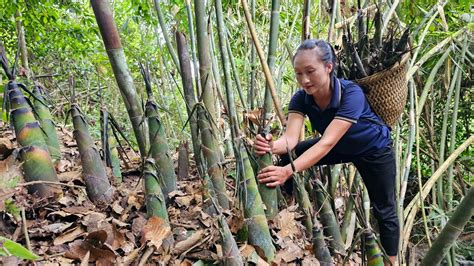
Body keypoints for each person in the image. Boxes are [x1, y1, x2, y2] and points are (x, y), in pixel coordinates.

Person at [253, 39, 399, 265]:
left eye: (310, 71)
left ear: (328, 67)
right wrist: (270, 145)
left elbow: (326, 143)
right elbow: (290, 140)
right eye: (299, 73)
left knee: (385, 210)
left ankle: (391, 261)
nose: (304, 80)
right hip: (341, 147)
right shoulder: (301, 98)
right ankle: (285, 209)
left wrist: (288, 171)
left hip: (374, 149)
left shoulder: (352, 93)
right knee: (291, 154)